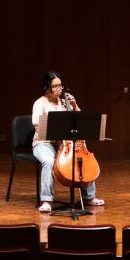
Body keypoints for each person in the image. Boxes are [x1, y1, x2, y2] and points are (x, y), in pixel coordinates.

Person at [31, 71, 103, 214]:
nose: (59, 89)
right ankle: (47, 200)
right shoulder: (40, 103)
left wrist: (74, 106)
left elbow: (79, 120)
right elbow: (35, 121)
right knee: (48, 161)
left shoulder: (65, 102)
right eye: (55, 86)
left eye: (60, 86)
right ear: (46, 87)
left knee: (81, 158)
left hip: (63, 143)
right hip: (43, 143)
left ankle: (88, 197)